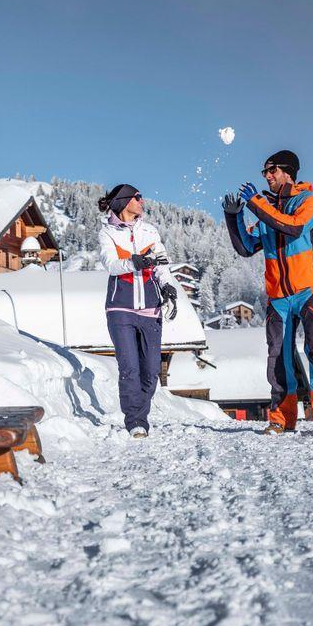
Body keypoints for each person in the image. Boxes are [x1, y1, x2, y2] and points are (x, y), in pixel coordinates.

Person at [222, 150, 313, 435]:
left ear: (288, 171)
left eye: (272, 170)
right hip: (278, 296)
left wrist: (256, 202)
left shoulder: (309, 201)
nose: (267, 175)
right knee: (278, 357)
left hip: (310, 290)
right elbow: (246, 247)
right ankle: (281, 418)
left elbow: (293, 227)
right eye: (264, 171)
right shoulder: (268, 210)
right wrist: (233, 217)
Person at [97, 183, 180, 438]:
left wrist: (167, 287)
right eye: (137, 197)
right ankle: (136, 421)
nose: (142, 201)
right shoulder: (107, 233)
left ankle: (138, 413)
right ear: (124, 202)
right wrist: (136, 262)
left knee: (151, 371)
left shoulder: (149, 231)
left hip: (151, 308)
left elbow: (161, 265)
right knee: (129, 368)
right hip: (120, 307)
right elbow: (111, 264)